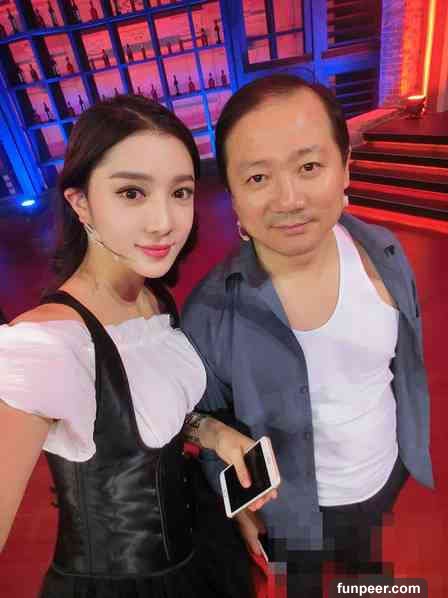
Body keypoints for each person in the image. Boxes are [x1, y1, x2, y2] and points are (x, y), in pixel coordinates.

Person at [0, 95, 274, 597]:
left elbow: (148, 414)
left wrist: (212, 432)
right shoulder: (47, 347)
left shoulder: (153, 298)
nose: (164, 221)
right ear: (81, 202)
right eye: (132, 192)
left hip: (202, 546)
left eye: (181, 192)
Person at [181, 75, 434, 597]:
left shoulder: (385, 253)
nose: (289, 199)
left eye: (309, 167)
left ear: (346, 168)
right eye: (258, 177)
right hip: (288, 509)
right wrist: (236, 508)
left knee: (365, 565)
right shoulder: (211, 310)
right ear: (233, 196)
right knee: (302, 584)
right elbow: (199, 419)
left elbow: (401, 368)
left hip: (385, 472)